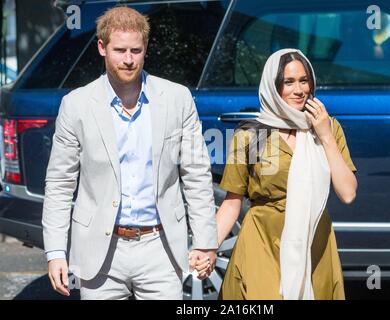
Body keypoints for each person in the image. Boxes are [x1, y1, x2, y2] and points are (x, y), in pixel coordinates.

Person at [42, 6, 217, 300]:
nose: (128, 59)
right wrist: (56, 252)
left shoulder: (176, 98)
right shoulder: (76, 105)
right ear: (102, 47)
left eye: (136, 50)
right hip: (99, 250)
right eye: (120, 50)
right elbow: (60, 185)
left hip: (160, 247)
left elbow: (196, 174)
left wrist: (205, 241)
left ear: (145, 48)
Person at [196, 48, 357, 300]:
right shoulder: (249, 135)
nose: (299, 90)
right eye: (288, 82)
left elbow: (347, 193)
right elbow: (231, 203)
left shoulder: (328, 128)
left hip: (314, 240)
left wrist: (325, 136)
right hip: (262, 239)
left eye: (304, 81)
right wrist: (207, 247)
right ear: (273, 87)